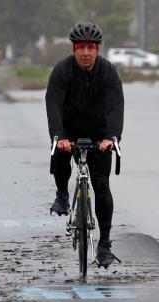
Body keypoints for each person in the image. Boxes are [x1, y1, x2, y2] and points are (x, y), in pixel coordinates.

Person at [45, 23, 124, 268]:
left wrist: (112, 137)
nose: (86, 53)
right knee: (59, 154)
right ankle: (61, 194)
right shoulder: (62, 70)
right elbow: (53, 104)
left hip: (99, 133)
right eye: (81, 48)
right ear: (74, 49)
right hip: (68, 128)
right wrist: (59, 135)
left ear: (97, 49)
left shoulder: (108, 72)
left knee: (102, 186)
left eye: (91, 48)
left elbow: (115, 105)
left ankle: (104, 244)